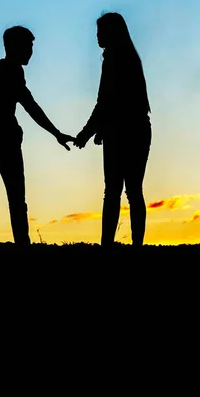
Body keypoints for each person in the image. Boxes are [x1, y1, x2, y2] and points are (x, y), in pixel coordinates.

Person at [0, 25, 75, 246]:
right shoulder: (6, 71)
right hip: (0, 144)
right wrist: (56, 133)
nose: (31, 51)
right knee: (6, 200)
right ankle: (19, 245)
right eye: (28, 46)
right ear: (14, 47)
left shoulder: (2, 71)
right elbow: (29, 105)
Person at [74, 12, 152, 249]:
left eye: (100, 32)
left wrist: (86, 133)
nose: (97, 36)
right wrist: (100, 130)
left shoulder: (115, 58)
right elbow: (117, 102)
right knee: (133, 191)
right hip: (137, 129)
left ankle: (107, 244)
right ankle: (136, 244)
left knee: (114, 192)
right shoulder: (129, 57)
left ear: (111, 33)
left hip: (123, 132)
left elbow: (106, 101)